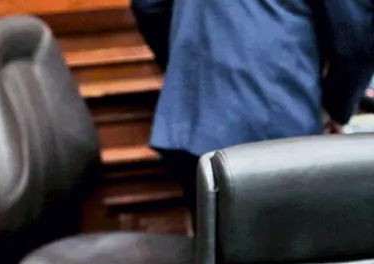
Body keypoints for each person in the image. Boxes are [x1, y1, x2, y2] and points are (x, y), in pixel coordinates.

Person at [131, 0, 374, 213]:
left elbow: (149, 5)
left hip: (190, 116)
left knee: (211, 245)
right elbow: (356, 36)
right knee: (286, 247)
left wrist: (190, 70)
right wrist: (336, 108)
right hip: (276, 122)